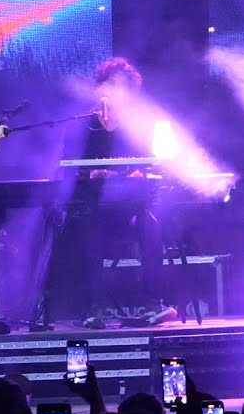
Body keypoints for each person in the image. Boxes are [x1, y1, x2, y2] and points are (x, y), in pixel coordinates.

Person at [54, 57, 174, 328]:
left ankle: (152, 303)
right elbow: (68, 169)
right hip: (91, 205)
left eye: (122, 85)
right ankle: (95, 307)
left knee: (150, 223)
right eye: (110, 84)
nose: (115, 90)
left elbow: (150, 164)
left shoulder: (139, 124)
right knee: (90, 229)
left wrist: (131, 174)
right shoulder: (82, 124)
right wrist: (90, 174)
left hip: (130, 205)